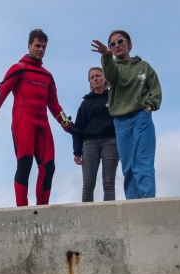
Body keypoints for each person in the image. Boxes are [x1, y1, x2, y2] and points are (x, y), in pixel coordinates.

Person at [0, 29, 71, 207]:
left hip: (43, 126)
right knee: (25, 164)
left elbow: (55, 105)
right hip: (24, 123)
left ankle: (42, 209)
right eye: (37, 46)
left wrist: (67, 125)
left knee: (48, 167)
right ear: (29, 45)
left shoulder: (47, 75)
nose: (40, 49)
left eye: (43, 47)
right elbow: (3, 89)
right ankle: (22, 209)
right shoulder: (18, 68)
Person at [91, 30, 162, 199]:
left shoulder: (144, 67)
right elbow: (110, 75)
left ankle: (148, 207)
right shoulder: (113, 67)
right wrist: (106, 56)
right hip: (121, 121)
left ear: (129, 44)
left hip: (141, 117)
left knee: (142, 163)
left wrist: (149, 107)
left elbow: (155, 91)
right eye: (112, 44)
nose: (116, 45)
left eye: (120, 41)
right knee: (128, 167)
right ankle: (134, 210)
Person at [68, 67, 119, 202]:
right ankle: (86, 220)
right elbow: (78, 128)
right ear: (90, 82)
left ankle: (109, 217)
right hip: (90, 143)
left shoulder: (113, 97)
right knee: (88, 184)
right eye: (92, 77)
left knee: (109, 183)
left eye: (98, 75)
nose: (95, 79)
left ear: (104, 78)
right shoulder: (86, 103)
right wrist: (77, 152)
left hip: (111, 141)